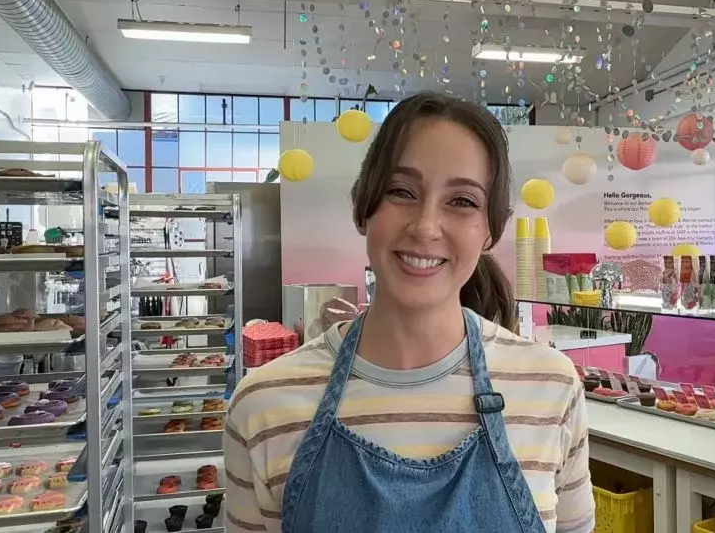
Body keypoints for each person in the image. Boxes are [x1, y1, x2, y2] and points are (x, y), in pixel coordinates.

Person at [225, 92, 595, 533]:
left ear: (490, 231)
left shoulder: (551, 388)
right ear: (363, 208)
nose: (424, 227)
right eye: (401, 192)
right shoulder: (265, 404)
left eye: (462, 201)